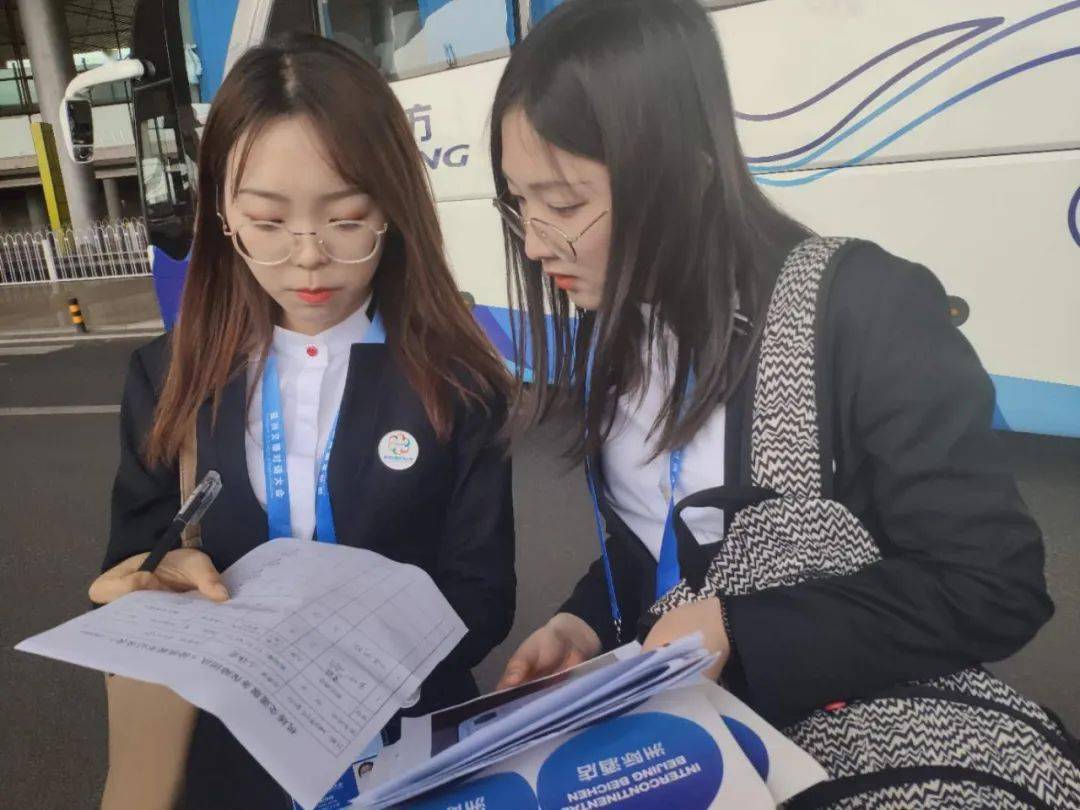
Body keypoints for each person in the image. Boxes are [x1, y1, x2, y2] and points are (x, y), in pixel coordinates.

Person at [491, 0, 1072, 803]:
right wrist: (583, 622)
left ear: (685, 171)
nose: (532, 241)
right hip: (695, 744)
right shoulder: (611, 325)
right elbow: (666, 535)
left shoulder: (863, 307)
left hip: (848, 742)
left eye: (562, 205)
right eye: (517, 201)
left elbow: (992, 585)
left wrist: (743, 630)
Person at [88, 33, 515, 810]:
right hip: (234, 767)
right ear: (224, 212)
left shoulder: (458, 378)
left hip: (412, 758)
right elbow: (132, 561)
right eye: (268, 221)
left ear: (393, 208)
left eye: (346, 219)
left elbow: (482, 592)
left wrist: (362, 659)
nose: (308, 256)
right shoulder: (168, 374)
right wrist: (157, 580)